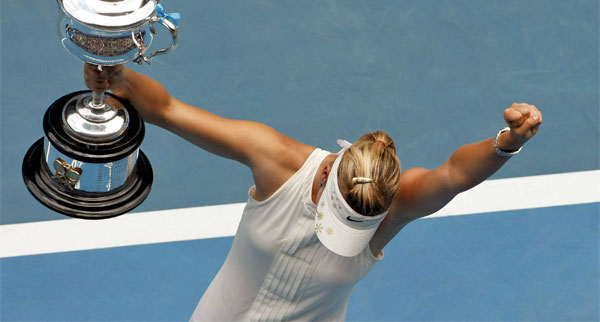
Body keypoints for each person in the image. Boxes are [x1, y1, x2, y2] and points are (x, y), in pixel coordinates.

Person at [84, 63, 542, 321]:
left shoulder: (393, 206)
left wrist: (506, 144)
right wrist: (117, 80)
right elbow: (165, 109)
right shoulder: (276, 161)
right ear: (326, 177)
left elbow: (452, 176)